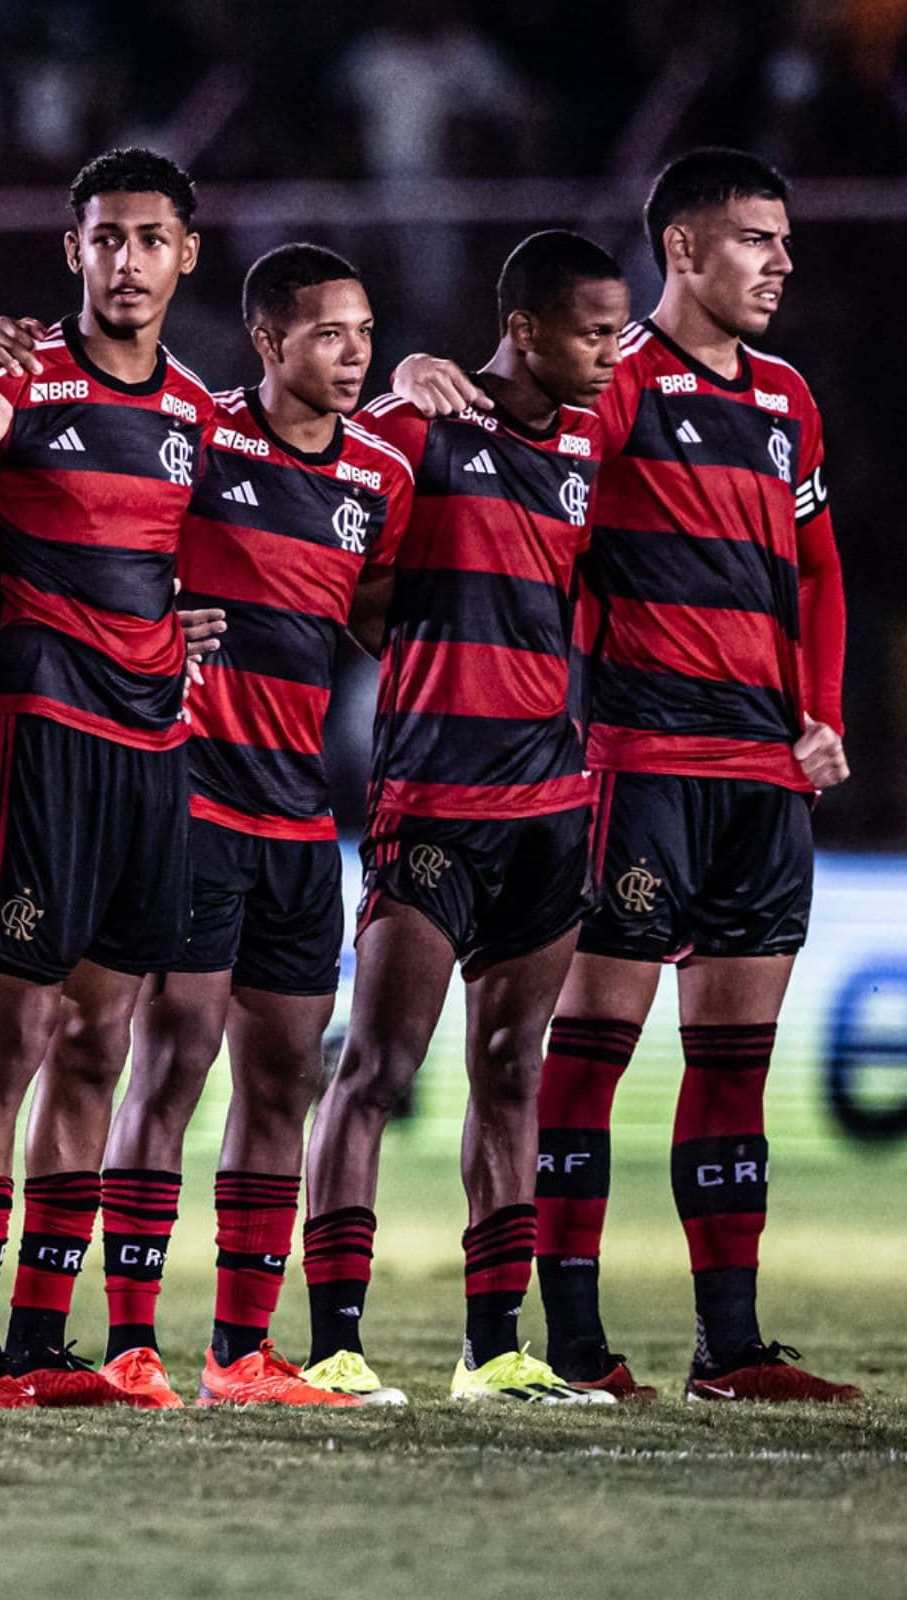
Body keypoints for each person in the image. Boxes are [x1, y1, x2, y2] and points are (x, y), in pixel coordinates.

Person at [388, 149, 857, 1403]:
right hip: (633, 761)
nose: (782, 260)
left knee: (735, 1067)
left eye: (785, 238)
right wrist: (412, 372)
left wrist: (823, 712)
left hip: (763, 772)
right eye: (757, 237)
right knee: (580, 1060)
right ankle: (576, 1345)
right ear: (686, 251)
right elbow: (517, 493)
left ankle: (733, 1346)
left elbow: (816, 569)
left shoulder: (787, 399)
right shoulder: (613, 386)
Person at [303, 230, 626, 1406]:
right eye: (592, 329)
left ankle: (496, 1349)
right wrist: (402, 374)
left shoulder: (592, 438)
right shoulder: (416, 428)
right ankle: (334, 1340)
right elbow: (331, 552)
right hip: (432, 798)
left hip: (551, 803)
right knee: (379, 1067)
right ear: (526, 327)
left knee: (510, 1066)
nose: (610, 350)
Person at [0, 149, 217, 1408]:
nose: (128, 260)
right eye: (106, 238)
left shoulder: (196, 411)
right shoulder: (20, 384)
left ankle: (46, 1337)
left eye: (152, 238)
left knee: (101, 1037)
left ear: (185, 255)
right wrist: (41, 614)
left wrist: (160, 628)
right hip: (39, 738)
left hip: (155, 751)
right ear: (73, 250)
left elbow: (179, 568)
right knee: (16, 1029)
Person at [87, 243, 411, 1409]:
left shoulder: (379, 473)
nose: (354, 353)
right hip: (192, 803)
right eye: (329, 332)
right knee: (168, 1064)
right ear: (268, 341)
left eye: (367, 331)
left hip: (298, 819)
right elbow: (107, 552)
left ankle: (240, 1350)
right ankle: (129, 1341)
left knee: (282, 1084)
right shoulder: (201, 442)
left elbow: (375, 607)